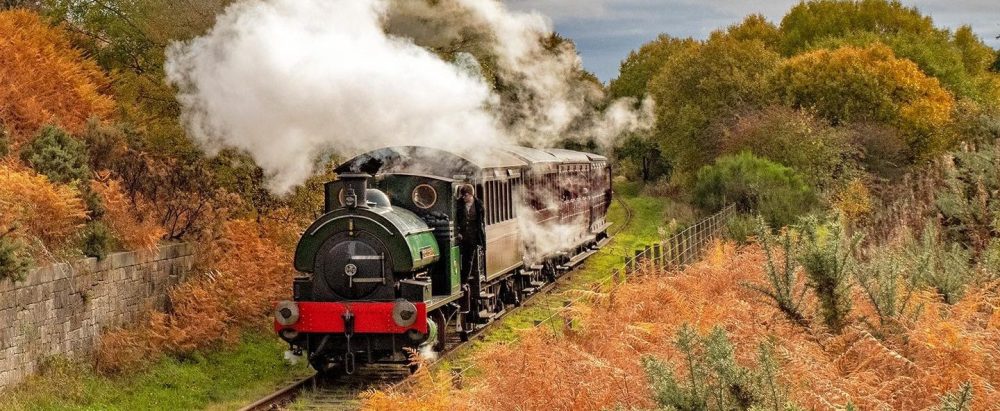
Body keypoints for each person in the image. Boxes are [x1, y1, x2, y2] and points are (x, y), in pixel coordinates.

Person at [455, 184, 486, 279]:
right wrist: (458, 232)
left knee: (468, 260)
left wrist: (480, 238)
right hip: (461, 235)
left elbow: (481, 222)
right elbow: (455, 219)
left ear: (471, 195)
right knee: (460, 258)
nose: (463, 197)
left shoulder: (479, 205)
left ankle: (465, 280)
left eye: (465, 195)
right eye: (462, 195)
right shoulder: (458, 204)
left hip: (472, 236)